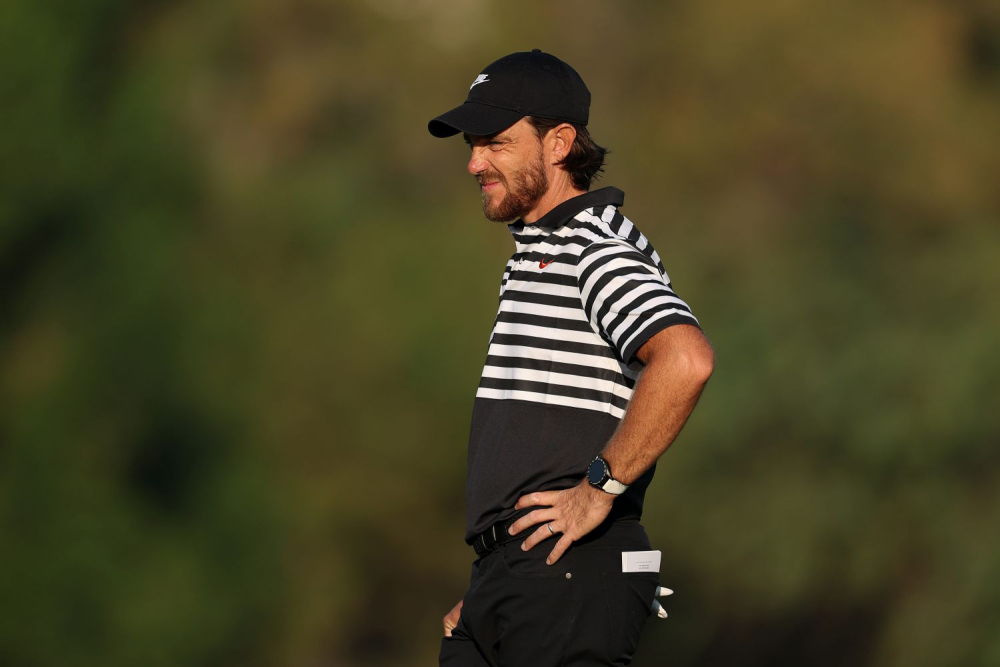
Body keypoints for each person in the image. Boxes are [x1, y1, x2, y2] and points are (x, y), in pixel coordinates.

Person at [428, 49, 715, 667]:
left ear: (558, 144)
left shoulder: (594, 248)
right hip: (520, 578)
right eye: (472, 145)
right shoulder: (539, 252)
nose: (475, 163)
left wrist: (598, 489)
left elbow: (685, 360)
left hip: (569, 574)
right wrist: (492, 581)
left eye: (497, 144)